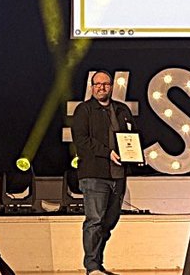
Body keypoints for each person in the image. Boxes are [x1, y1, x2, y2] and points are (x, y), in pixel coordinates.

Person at [71, 70, 138, 275]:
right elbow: (81, 141)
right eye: (98, 84)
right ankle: (91, 267)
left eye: (106, 84)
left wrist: (134, 155)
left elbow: (131, 137)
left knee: (109, 222)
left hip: (118, 175)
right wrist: (107, 152)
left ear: (111, 87)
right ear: (92, 87)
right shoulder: (84, 110)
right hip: (94, 175)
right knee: (95, 220)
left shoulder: (121, 109)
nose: (102, 87)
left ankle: (97, 263)